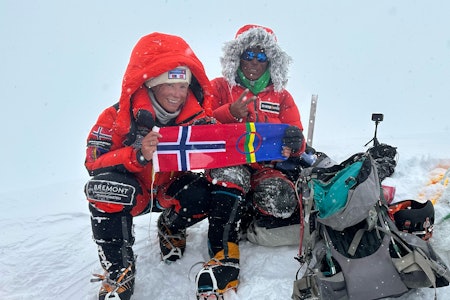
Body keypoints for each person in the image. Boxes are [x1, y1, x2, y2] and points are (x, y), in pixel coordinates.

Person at [84, 32, 222, 300]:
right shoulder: (116, 116)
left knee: (210, 190)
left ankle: (171, 226)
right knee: (102, 188)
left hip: (168, 191)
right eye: (170, 85)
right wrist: (136, 155)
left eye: (183, 86)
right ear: (150, 84)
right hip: (133, 193)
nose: (177, 94)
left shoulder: (197, 118)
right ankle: (118, 272)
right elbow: (93, 162)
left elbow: (223, 138)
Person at [208, 24, 311, 247]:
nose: (255, 62)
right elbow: (200, 127)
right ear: (237, 57)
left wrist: (294, 145)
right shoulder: (219, 88)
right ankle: (221, 247)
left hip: (267, 167)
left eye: (262, 56)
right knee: (230, 184)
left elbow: (297, 137)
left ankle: (249, 219)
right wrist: (230, 113)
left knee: (281, 202)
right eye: (249, 55)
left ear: (271, 61)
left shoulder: (282, 96)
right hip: (228, 162)